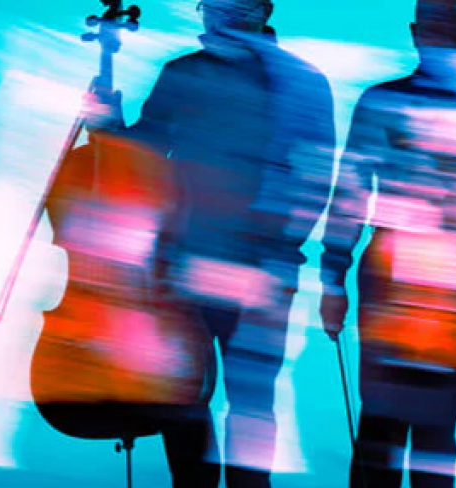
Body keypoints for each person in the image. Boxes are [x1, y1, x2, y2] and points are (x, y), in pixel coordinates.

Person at [91, 0, 336, 486]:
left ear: (263, 7)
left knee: (247, 405)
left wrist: (277, 251)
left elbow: (314, 180)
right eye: (213, 3)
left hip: (255, 269)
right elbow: (144, 153)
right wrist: (110, 126)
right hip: (188, 263)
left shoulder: (302, 81)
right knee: (185, 397)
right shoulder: (182, 73)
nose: (220, 13)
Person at [318, 1, 456, 486]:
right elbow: (349, 193)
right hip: (394, 272)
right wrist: (332, 277)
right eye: (434, 23)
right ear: (414, 32)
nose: (442, 33)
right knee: (382, 426)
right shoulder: (380, 102)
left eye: (452, 24)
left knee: (434, 427)